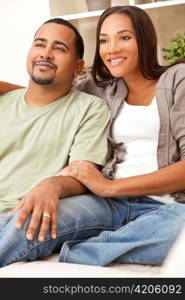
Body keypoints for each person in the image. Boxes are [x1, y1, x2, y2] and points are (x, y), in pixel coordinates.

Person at [1, 5, 185, 267]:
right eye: (103, 40)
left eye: (124, 37)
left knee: (178, 232)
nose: (112, 49)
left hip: (169, 206)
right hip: (107, 204)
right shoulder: (98, 89)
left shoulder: (178, 79)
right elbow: (49, 89)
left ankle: (81, 252)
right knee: (33, 217)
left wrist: (108, 187)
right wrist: (17, 91)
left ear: (144, 40)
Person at [0, 18, 110, 267]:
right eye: (40, 44)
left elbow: (85, 171)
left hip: (19, 214)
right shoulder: (4, 101)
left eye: (59, 48)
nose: (46, 54)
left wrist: (52, 185)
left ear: (77, 66)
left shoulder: (90, 109)